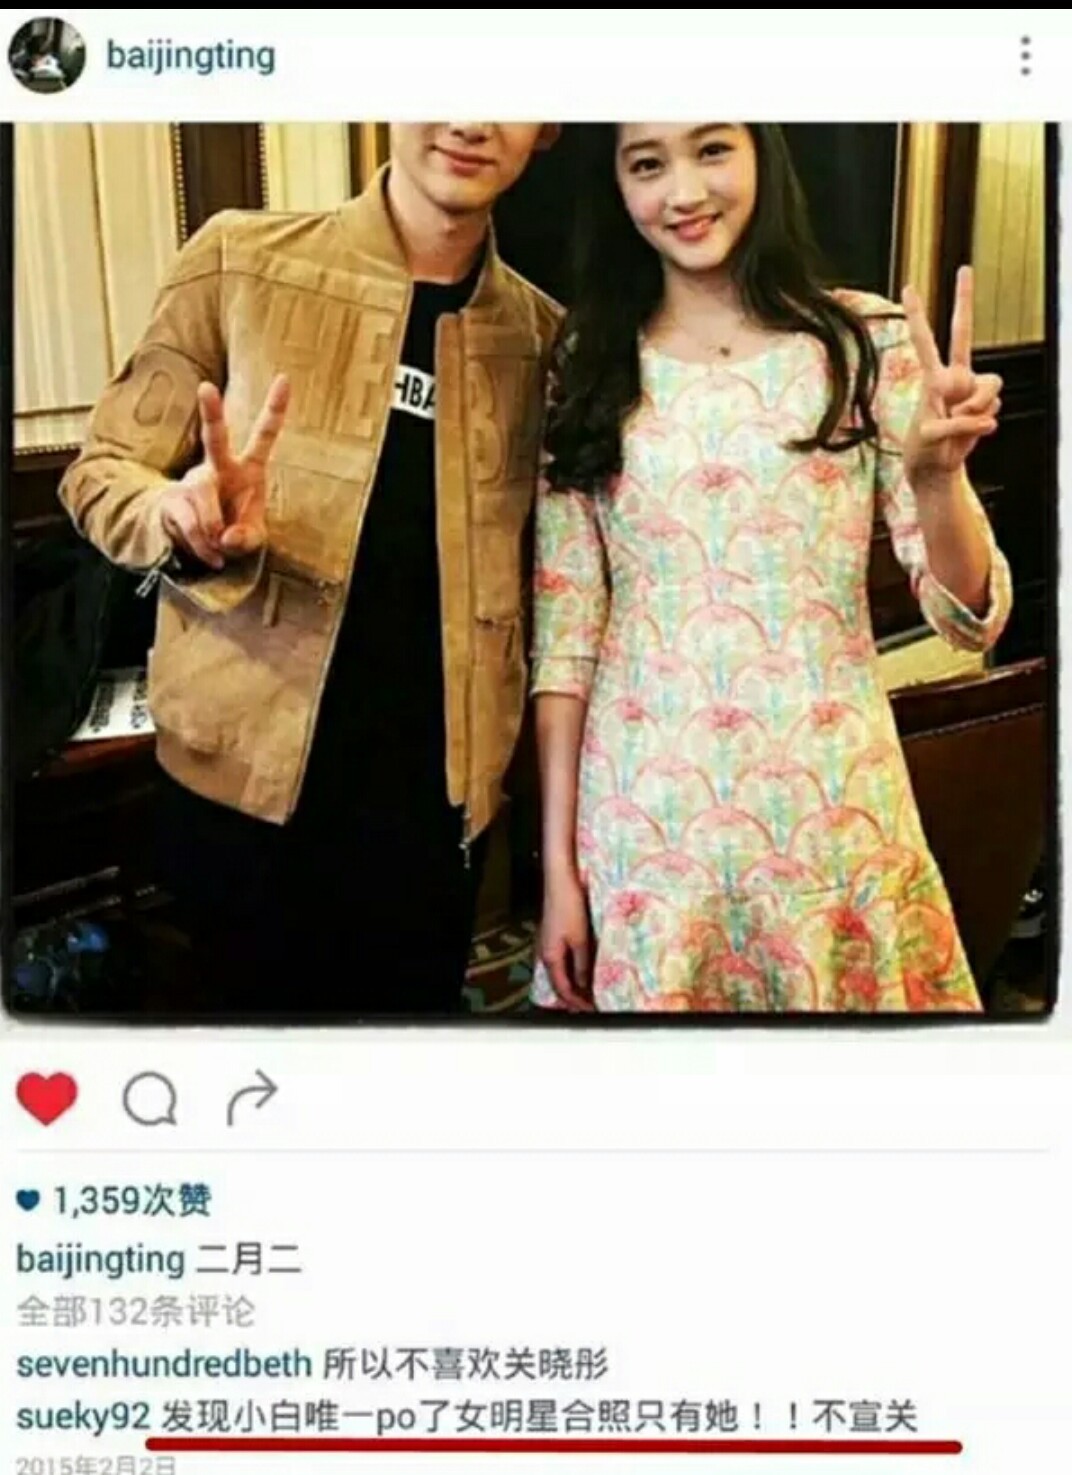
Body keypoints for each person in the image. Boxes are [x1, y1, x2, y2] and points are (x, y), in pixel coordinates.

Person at [59, 123, 562, 1018]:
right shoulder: (239, 261)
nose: (470, 120)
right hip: (240, 792)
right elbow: (102, 472)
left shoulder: (543, 339)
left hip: (436, 811)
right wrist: (177, 514)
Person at [530, 123, 1012, 1013]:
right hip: (646, 834)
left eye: (712, 149)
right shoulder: (588, 360)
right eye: (647, 165)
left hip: (836, 813)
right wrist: (559, 868)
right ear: (617, 188)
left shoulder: (863, 341)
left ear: (762, 153)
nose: (683, 192)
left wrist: (937, 483)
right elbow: (566, 641)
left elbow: (969, 613)